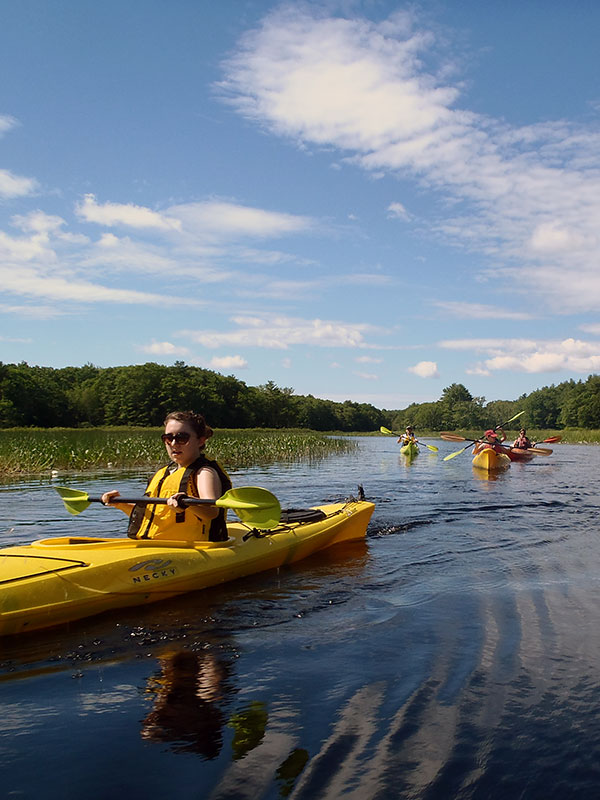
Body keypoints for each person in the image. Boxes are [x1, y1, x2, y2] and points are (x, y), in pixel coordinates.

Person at [101, 411, 232, 541]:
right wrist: (120, 503)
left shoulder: (204, 473)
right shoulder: (163, 474)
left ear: (200, 441)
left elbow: (211, 512)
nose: (174, 444)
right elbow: (153, 516)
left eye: (182, 438)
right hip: (156, 545)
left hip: (195, 548)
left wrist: (187, 502)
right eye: (168, 438)